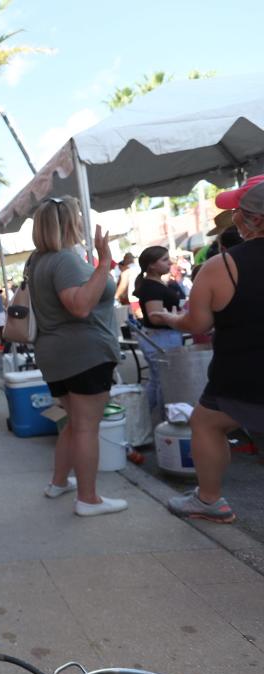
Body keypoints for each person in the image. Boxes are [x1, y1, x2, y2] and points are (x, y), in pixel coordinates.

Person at [161, 179, 264, 523]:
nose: (235, 217)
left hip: (243, 378)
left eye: (240, 210)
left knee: (205, 422)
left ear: (255, 219)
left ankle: (209, 500)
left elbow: (197, 325)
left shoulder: (222, 267)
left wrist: (169, 318)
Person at [28, 197, 126, 517]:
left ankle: (59, 482)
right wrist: (104, 263)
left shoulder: (38, 260)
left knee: (74, 423)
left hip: (56, 354)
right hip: (83, 353)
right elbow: (80, 305)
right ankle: (88, 498)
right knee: (86, 427)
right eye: (79, 218)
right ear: (70, 223)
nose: (84, 222)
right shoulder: (64, 261)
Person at [132, 245, 184, 416]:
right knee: (164, 381)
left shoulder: (155, 284)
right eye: (164, 259)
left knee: (159, 380)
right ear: (151, 265)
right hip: (162, 338)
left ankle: (143, 420)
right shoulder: (151, 287)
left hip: (163, 336)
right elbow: (155, 316)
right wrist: (177, 317)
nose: (169, 262)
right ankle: (164, 419)